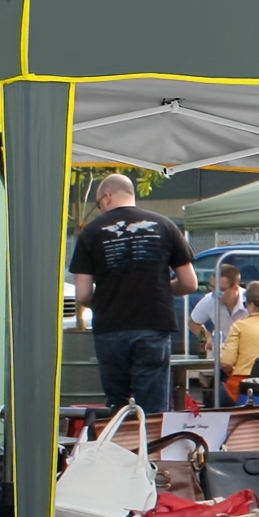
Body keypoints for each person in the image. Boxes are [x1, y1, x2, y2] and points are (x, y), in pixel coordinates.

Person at [68, 173, 196, 414]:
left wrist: (110, 299)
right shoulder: (165, 225)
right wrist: (158, 288)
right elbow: (189, 283)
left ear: (106, 197)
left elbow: (83, 295)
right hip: (153, 324)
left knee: (118, 407)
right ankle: (151, 449)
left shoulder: (91, 232)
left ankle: (122, 448)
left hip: (111, 328)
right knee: (153, 408)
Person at [217, 280, 259, 402]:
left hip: (242, 387)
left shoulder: (239, 326)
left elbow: (226, 362)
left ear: (252, 305)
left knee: (215, 397)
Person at [188, 263, 248, 353]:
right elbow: (193, 323)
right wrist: (209, 338)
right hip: (224, 355)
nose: (215, 293)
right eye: (212, 288)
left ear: (235, 288)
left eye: (220, 290)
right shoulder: (210, 300)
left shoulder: (250, 301)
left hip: (248, 352)